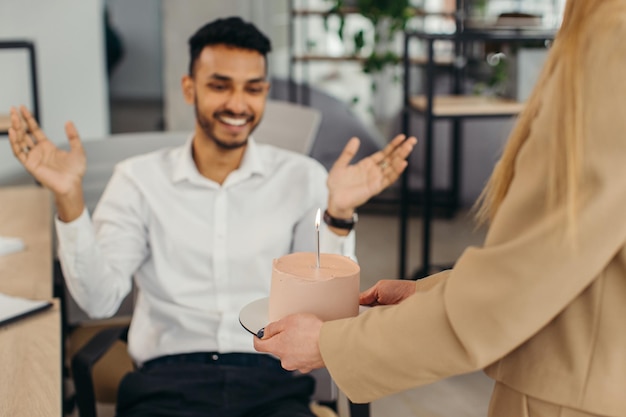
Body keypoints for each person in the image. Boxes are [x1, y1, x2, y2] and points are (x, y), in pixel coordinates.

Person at [7, 16, 416, 417]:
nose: (237, 104)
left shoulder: (303, 177)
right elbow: (98, 300)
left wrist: (339, 214)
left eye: (252, 89)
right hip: (165, 383)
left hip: (271, 381)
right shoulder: (137, 180)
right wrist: (69, 198)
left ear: (265, 92)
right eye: (220, 86)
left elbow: (324, 304)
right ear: (189, 88)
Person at [254, 1, 626, 416]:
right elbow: (561, 262)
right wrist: (428, 293)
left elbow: (515, 288)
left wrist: (331, 344)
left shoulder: (614, 41)